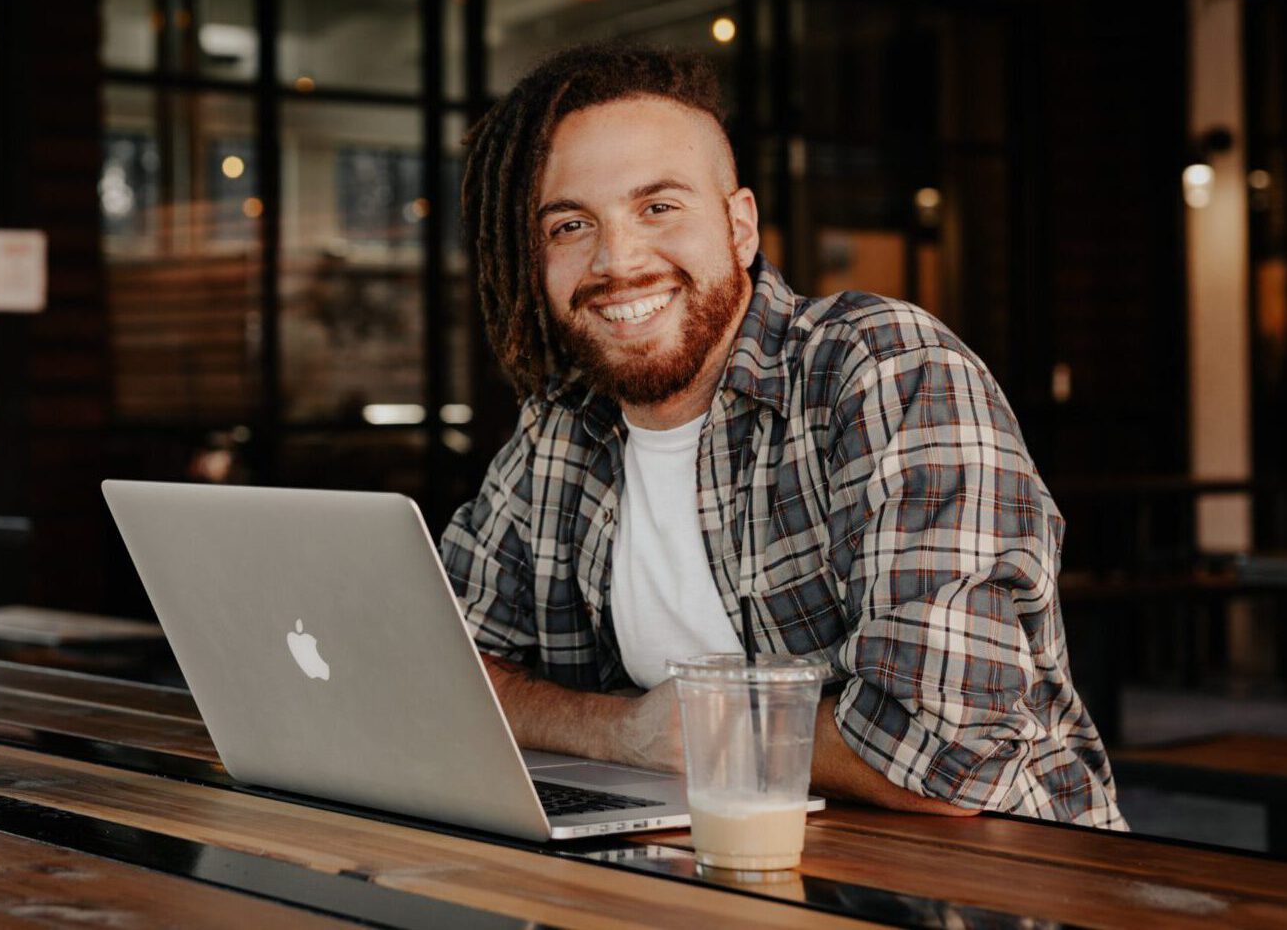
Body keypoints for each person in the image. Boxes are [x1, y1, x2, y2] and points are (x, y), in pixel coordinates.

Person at [441, 41, 1125, 829]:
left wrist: (701, 731)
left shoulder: (882, 368)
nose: (616, 259)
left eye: (658, 207)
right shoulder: (562, 427)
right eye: (568, 224)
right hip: (709, 873)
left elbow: (946, 755)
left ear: (739, 227)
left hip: (990, 885)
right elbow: (443, 665)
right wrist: (622, 732)